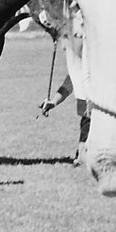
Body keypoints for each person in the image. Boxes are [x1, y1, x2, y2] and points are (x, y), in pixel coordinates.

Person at [39, 27, 89, 167]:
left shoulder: (92, 59)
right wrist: (53, 102)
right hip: (87, 112)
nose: (63, 47)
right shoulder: (77, 65)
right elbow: (69, 84)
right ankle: (82, 154)